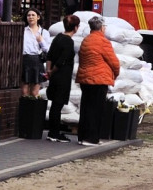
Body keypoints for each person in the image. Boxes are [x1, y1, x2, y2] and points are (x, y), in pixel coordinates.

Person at [76, 16, 120, 146]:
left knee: (85, 108)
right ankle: (91, 138)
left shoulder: (86, 40)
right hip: (99, 80)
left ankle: (82, 136)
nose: (105, 29)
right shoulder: (103, 41)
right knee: (96, 110)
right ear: (101, 28)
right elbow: (114, 62)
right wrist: (115, 74)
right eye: (105, 26)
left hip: (85, 79)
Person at [45, 15, 80, 142]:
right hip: (62, 76)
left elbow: (49, 55)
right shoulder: (69, 41)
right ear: (76, 28)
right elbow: (62, 61)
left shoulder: (58, 37)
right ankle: (54, 133)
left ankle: (53, 131)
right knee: (58, 105)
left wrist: (48, 71)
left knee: (55, 103)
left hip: (54, 77)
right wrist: (53, 71)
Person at [21, 9, 50, 97]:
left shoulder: (44, 32)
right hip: (24, 60)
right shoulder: (23, 31)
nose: (30, 17)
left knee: (34, 92)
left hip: (37, 61)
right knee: (24, 92)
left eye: (33, 15)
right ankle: (24, 110)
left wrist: (41, 41)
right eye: (28, 15)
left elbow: (48, 50)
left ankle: (33, 110)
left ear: (38, 17)